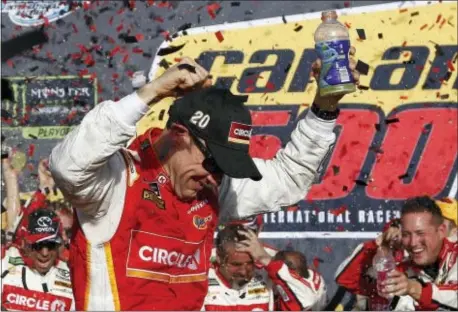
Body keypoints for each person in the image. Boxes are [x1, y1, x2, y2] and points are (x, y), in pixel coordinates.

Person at [50, 51, 360, 310]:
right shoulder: (116, 179)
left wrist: (325, 106)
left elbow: (289, 178)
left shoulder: (209, 187)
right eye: (213, 162)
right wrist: (153, 91)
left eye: (224, 168)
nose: (215, 175)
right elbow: (68, 165)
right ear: (180, 135)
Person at [336, 196, 457, 311]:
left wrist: (413, 288)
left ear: (442, 230)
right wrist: (379, 246)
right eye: (406, 234)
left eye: (421, 233)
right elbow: (346, 279)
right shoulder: (403, 265)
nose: (413, 242)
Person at [202, 224, 326, 311]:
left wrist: (265, 259)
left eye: (250, 263)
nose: (244, 271)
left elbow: (307, 302)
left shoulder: (270, 266)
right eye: (236, 265)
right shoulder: (200, 270)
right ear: (218, 258)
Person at [1, 208, 74, 311]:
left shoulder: (72, 274)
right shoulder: (5, 262)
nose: (45, 253)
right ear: (24, 243)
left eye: (51, 245)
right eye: (37, 245)